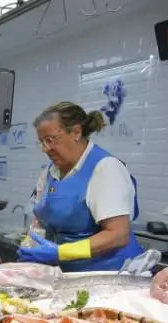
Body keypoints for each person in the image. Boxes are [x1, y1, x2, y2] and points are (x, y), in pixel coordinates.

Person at [17, 101, 144, 272]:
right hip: (68, 274)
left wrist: (61, 252)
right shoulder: (50, 171)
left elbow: (118, 235)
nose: (45, 149)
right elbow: (40, 217)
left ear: (76, 132)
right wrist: (31, 246)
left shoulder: (105, 168)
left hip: (108, 276)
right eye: (41, 142)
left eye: (50, 140)